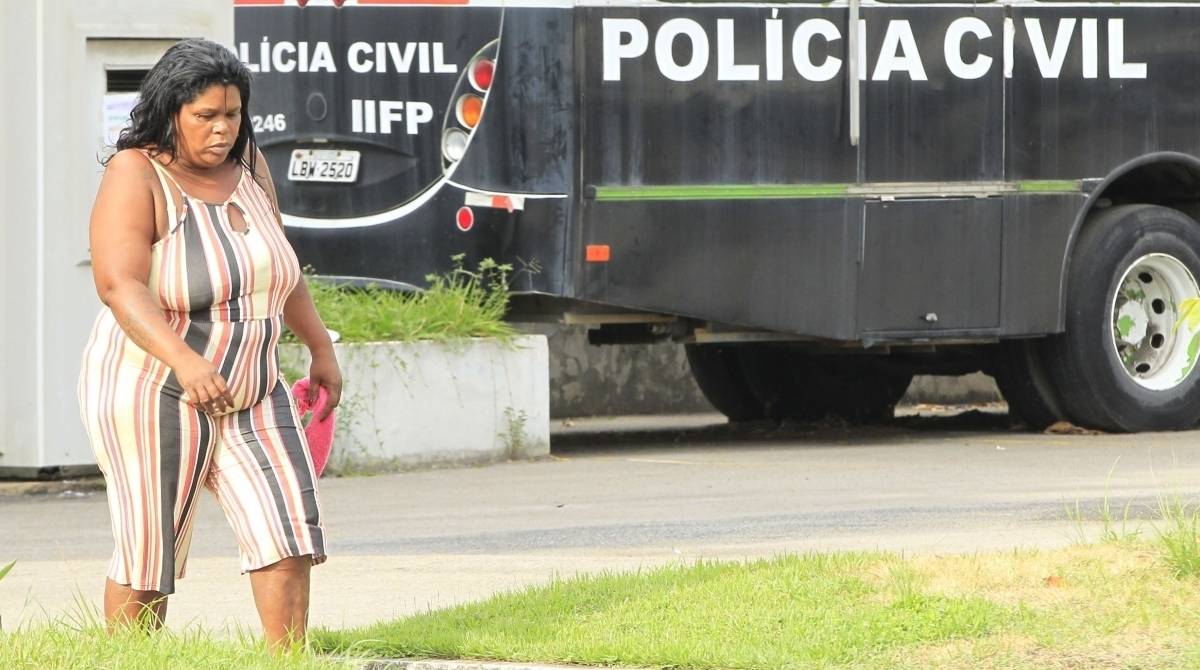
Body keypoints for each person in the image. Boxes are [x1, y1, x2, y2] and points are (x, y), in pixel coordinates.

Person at [77, 38, 342, 650]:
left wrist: (320, 347)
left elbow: (282, 267)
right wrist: (186, 362)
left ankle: (288, 662)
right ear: (171, 111)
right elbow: (119, 285)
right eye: (206, 117)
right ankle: (128, 662)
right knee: (151, 549)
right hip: (153, 389)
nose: (223, 129)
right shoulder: (137, 172)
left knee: (286, 528)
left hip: (253, 386)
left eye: (233, 113)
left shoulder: (248, 164)